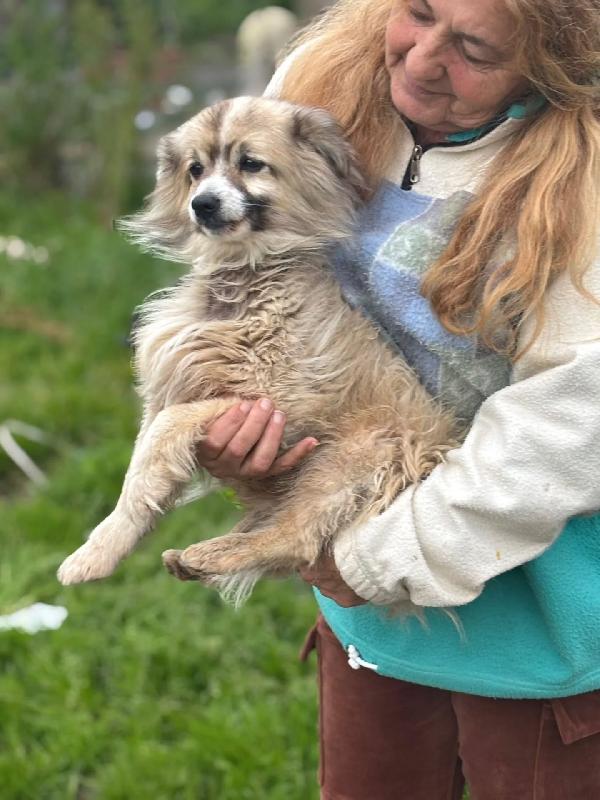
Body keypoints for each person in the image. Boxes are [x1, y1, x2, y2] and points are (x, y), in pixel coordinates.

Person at [195, 0, 600, 797]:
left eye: (475, 50)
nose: (419, 61)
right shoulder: (322, 84)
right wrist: (241, 427)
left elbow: (574, 418)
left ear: (552, 63)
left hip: (538, 635)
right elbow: (247, 269)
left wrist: (380, 557)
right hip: (368, 617)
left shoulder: (583, 177)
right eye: (417, 11)